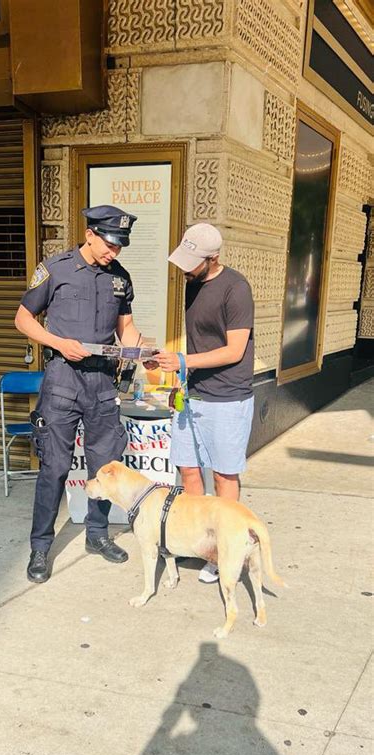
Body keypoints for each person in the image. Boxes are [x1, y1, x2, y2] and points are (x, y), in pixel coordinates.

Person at [15, 205, 148, 584]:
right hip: (63, 380)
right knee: (54, 468)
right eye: (110, 243)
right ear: (90, 233)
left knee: (104, 468)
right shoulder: (56, 269)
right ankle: (40, 546)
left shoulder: (120, 278)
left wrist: (143, 353)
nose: (114, 252)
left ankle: (97, 535)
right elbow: (23, 318)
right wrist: (58, 342)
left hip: (103, 384)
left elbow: (127, 330)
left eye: (120, 246)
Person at [155, 223, 255, 584]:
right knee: (188, 470)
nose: (184, 269)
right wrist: (180, 380)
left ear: (213, 258)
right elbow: (196, 345)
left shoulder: (236, 289)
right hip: (192, 394)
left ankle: (225, 549)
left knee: (224, 475)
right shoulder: (192, 285)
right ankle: (200, 543)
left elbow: (234, 350)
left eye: (191, 262)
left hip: (228, 397)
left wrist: (183, 362)